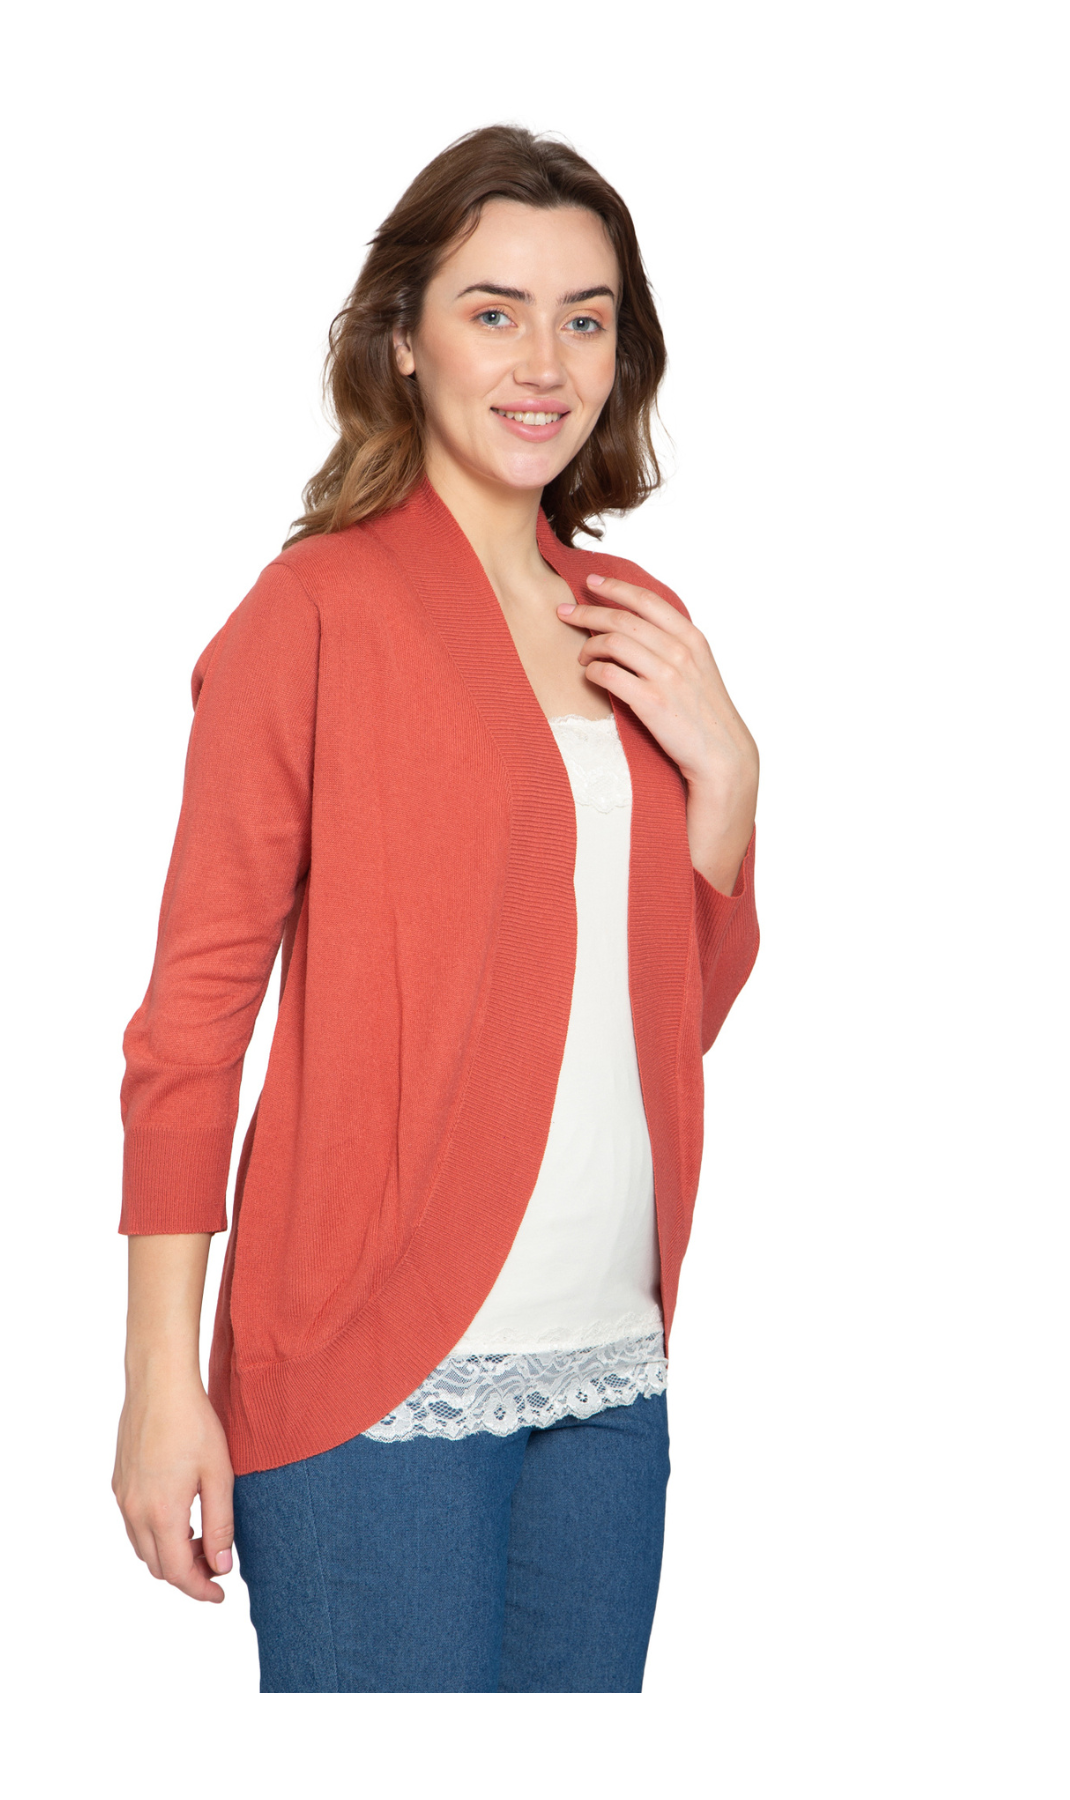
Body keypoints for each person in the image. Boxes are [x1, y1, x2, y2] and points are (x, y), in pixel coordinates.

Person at [112, 123, 761, 1694]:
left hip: (608, 1369)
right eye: (493, 310)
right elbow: (191, 1023)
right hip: (371, 1384)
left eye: (584, 317)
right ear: (401, 340)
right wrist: (158, 1382)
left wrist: (730, 780)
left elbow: (662, 1019)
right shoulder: (313, 614)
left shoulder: (640, 621)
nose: (543, 362)